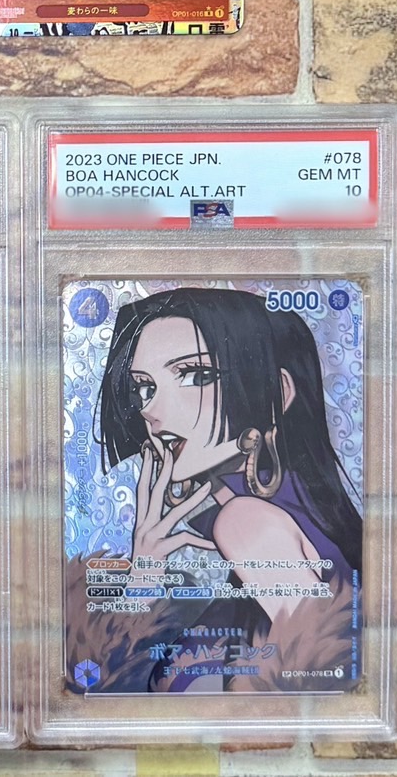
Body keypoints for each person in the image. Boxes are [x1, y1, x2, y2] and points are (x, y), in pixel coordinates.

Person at [95, 286, 361, 690]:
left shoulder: (247, 524)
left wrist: (141, 584)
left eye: (194, 375)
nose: (149, 409)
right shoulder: (285, 512)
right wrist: (145, 569)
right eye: (144, 387)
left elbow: (324, 683)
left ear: (277, 393)